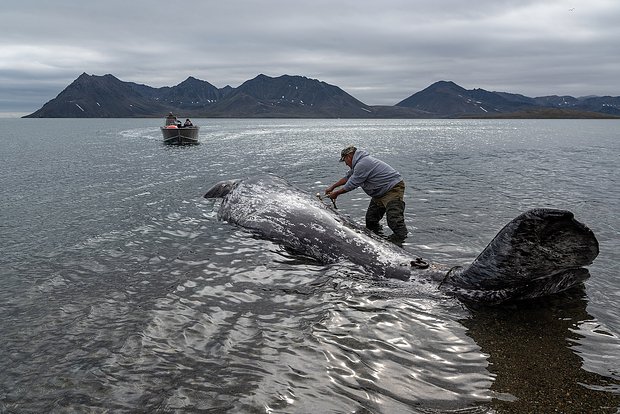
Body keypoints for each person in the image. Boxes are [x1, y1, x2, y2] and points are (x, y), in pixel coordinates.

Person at [325, 146, 408, 243]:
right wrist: (333, 187)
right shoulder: (358, 164)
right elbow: (348, 177)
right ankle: (377, 240)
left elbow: (352, 184)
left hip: (392, 188)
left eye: (345, 161)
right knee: (371, 220)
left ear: (348, 156)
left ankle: (402, 245)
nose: (346, 164)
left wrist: (336, 194)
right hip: (379, 192)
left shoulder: (363, 163)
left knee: (394, 220)